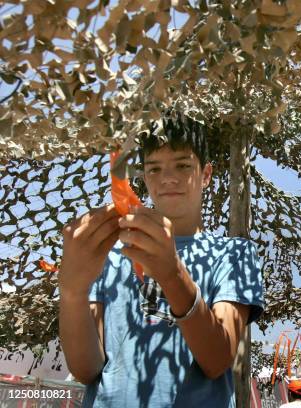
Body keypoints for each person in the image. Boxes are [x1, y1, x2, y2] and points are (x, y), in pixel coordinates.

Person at [59, 114, 264, 407]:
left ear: (206, 174)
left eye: (182, 165)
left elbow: (218, 359)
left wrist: (172, 274)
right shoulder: (110, 252)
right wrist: (71, 291)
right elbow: (86, 369)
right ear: (143, 176)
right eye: (154, 169)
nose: (168, 178)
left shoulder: (234, 254)